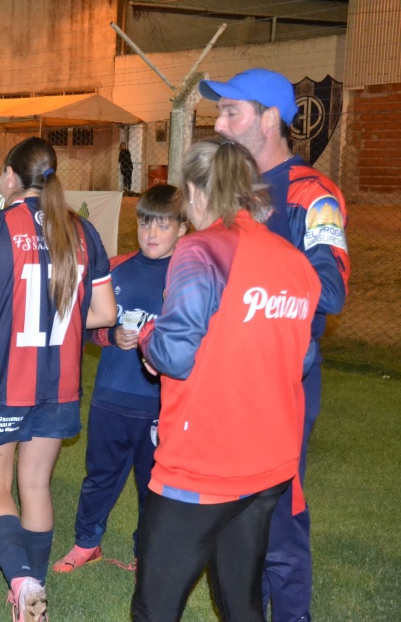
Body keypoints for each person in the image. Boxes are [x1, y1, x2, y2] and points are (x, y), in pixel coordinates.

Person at [131, 138, 321, 621]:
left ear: (197, 192)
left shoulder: (202, 249)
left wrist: (147, 336)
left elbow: (174, 355)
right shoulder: (294, 260)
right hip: (269, 462)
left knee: (155, 609)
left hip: (206, 462)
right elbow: (302, 357)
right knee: (241, 602)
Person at [200, 68, 350, 622]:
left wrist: (259, 276)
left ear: (268, 119)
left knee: (279, 516)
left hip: (281, 386)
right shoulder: (228, 193)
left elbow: (329, 291)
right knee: (229, 513)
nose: (219, 125)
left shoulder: (312, 194)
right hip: (223, 380)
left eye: (230, 112)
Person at [0, 137, 117, 622]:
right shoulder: (81, 230)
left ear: (10, 176)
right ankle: (34, 589)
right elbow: (105, 313)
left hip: (4, 381)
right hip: (58, 382)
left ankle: (24, 582)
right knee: (35, 485)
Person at [53, 184, 188, 574]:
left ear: (183, 228)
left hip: (160, 403)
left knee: (154, 484)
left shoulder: (189, 277)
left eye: (163, 225)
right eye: (145, 223)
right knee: (100, 476)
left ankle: (147, 552)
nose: (151, 233)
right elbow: (82, 325)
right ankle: (86, 543)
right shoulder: (115, 267)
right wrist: (110, 336)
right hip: (111, 396)